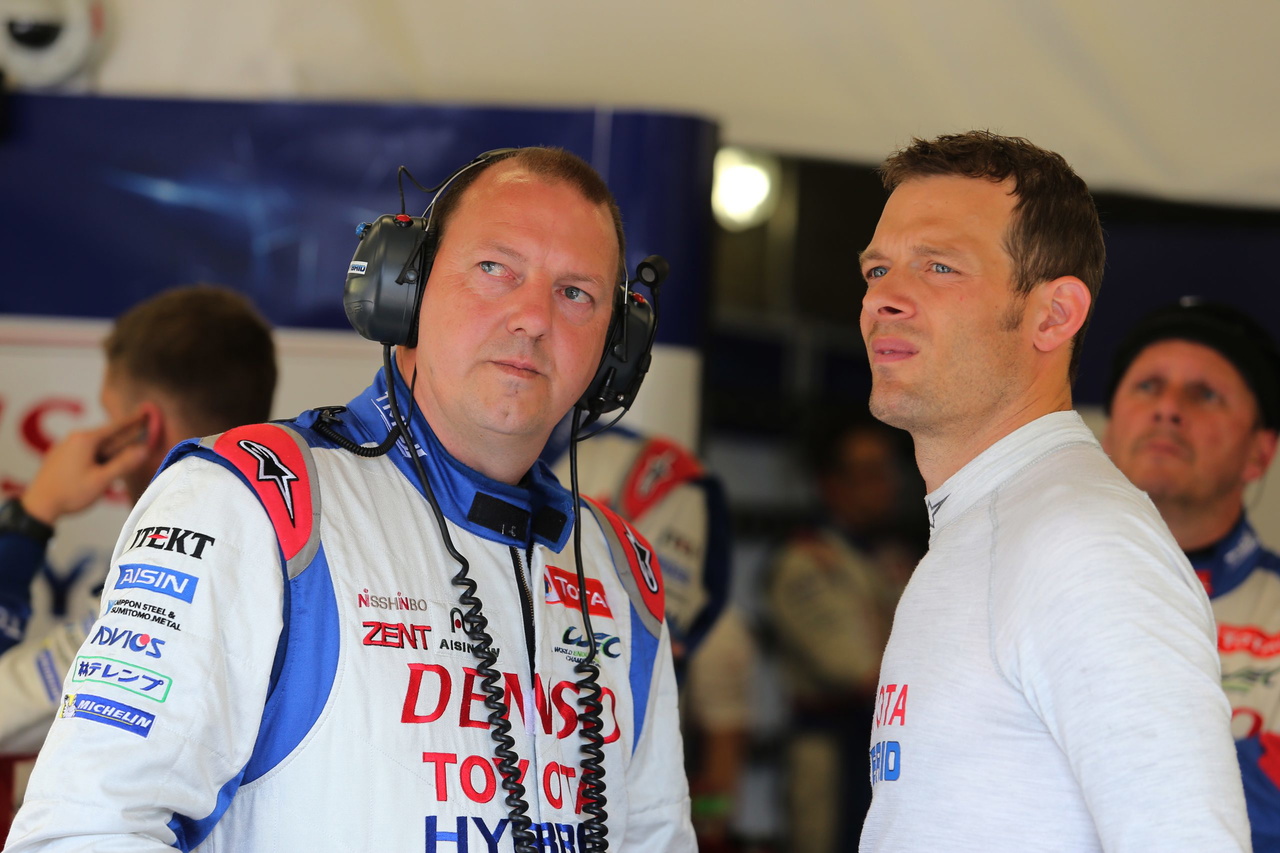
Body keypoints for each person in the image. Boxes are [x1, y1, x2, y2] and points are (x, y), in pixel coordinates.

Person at [6, 147, 695, 852]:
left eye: (576, 293)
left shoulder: (621, 571)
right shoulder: (249, 505)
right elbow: (82, 830)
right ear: (405, 287)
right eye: (495, 268)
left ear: (616, 348)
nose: (533, 317)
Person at [857, 131, 1248, 850]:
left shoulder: (1082, 541)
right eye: (877, 269)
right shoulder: (995, 524)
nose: (885, 297)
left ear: (1055, 315)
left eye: (939, 266)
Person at [0, 285, 277, 755]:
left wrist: (32, 514)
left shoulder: (162, 584)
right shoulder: (295, 539)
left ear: (145, 427)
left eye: (110, 414)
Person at [1103, 299, 1280, 851]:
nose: (1167, 409)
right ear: (1106, 434)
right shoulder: (1020, 589)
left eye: (1205, 395)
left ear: (1259, 454)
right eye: (1147, 387)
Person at [766, 416, 920, 853]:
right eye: (869, 473)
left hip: (893, 750)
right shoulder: (804, 562)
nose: (886, 485)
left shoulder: (895, 557)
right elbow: (857, 672)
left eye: (887, 471)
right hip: (831, 755)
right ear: (832, 484)